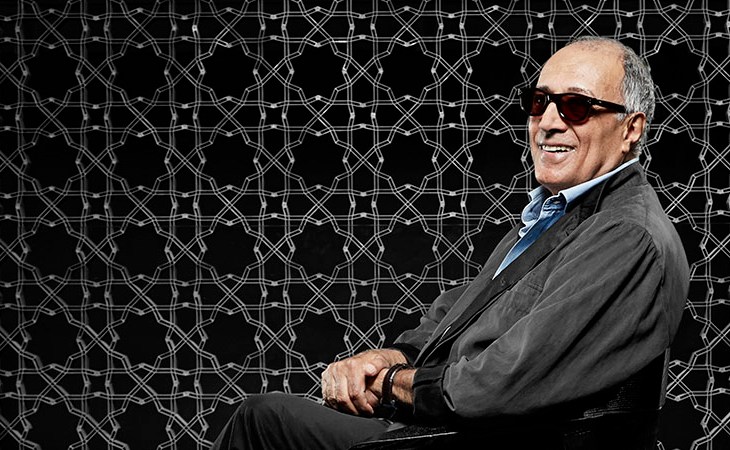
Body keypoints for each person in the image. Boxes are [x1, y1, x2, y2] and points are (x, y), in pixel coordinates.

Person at [210, 36, 689, 450]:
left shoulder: (625, 235)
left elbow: (500, 383)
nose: (548, 122)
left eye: (576, 107)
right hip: (452, 430)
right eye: (539, 102)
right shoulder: (558, 216)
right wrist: (391, 358)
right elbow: (461, 317)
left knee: (263, 420)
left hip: (488, 440)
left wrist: (390, 383)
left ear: (631, 129)